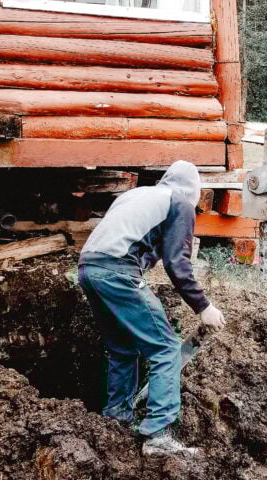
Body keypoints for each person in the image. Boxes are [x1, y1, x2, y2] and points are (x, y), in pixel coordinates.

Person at [78, 160, 226, 457]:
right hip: (117, 272)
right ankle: (158, 434)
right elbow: (178, 263)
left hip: (88, 269)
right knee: (166, 347)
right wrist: (203, 306)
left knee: (122, 348)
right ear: (194, 191)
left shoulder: (136, 195)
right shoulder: (180, 203)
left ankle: (117, 419)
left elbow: (144, 247)